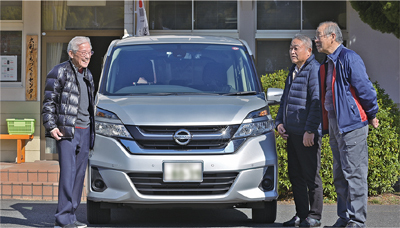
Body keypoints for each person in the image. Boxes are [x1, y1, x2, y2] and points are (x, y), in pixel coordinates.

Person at [315, 21, 379, 228]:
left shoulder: (350, 58)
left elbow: (366, 89)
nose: (316, 40)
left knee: (354, 173)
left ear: (332, 37)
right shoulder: (327, 62)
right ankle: (344, 217)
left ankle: (357, 220)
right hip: (335, 123)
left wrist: (372, 113)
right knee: (340, 174)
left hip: (352, 124)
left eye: (319, 35)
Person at [42, 36, 96, 228]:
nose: (87, 56)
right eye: (83, 52)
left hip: (85, 129)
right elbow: (49, 102)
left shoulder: (88, 74)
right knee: (68, 174)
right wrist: (51, 126)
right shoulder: (59, 71)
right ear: (71, 53)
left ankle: (71, 217)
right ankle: (63, 220)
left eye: (89, 52)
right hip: (66, 131)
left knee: (79, 176)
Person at [276, 34, 323, 227]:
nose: (292, 52)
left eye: (296, 48)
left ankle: (315, 217)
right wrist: (279, 121)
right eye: (290, 48)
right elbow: (285, 99)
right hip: (292, 133)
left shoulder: (314, 70)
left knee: (311, 176)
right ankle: (301, 215)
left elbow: (316, 103)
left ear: (309, 51)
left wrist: (310, 130)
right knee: (295, 175)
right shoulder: (294, 70)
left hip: (307, 134)